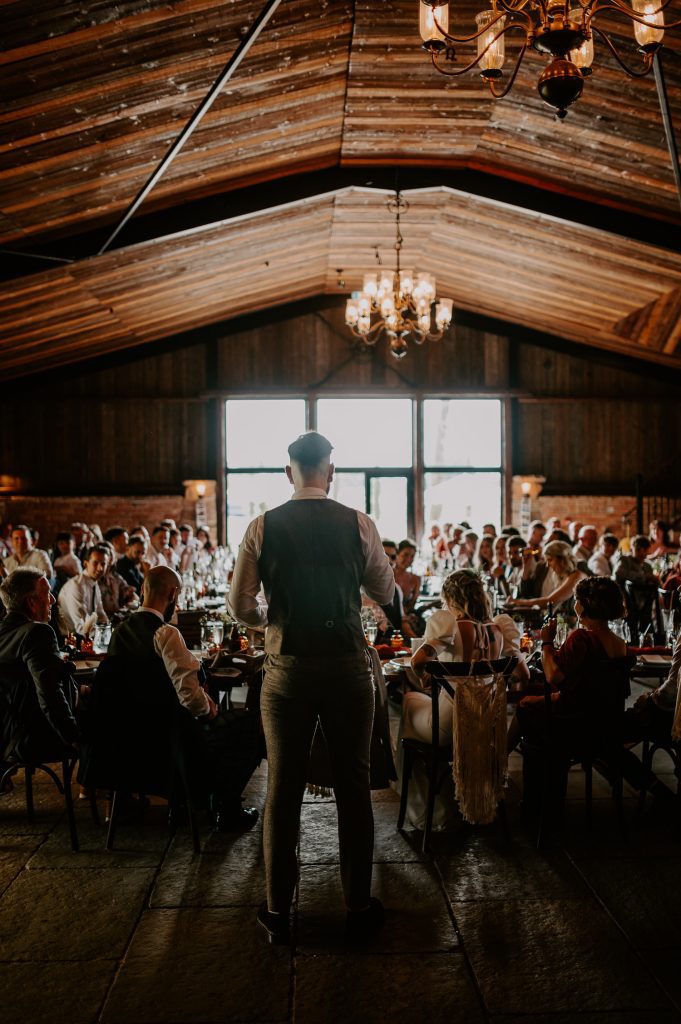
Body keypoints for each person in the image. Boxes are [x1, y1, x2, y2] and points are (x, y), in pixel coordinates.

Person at [228, 430, 394, 944]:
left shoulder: (262, 526)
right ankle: (358, 906)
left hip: (287, 668)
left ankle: (278, 912)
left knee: (283, 787)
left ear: (288, 472)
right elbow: (385, 590)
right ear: (330, 471)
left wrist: (269, 621)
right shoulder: (358, 523)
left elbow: (239, 606)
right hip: (346, 666)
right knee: (353, 786)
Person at [106, 565, 259, 830]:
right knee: (252, 726)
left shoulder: (119, 632)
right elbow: (189, 695)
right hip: (174, 738)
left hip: (128, 737)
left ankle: (185, 801)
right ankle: (227, 807)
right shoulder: (165, 633)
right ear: (174, 593)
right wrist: (208, 710)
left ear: (143, 590)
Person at [400, 571, 507, 828]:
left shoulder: (451, 625)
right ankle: (450, 801)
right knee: (421, 703)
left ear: (451, 598)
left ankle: (430, 809)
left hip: (452, 724)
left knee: (409, 701)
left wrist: (426, 677)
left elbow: (418, 660)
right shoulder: (498, 629)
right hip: (486, 724)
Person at [0, 568, 79, 766]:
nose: (53, 599)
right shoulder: (37, 633)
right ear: (31, 602)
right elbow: (49, 693)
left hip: (5, 737)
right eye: (47, 594)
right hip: (31, 739)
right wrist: (73, 737)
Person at [508, 540, 586, 613]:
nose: (548, 565)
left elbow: (549, 602)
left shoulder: (577, 576)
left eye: (550, 560)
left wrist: (517, 602)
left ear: (562, 559)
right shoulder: (561, 576)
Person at [57, 544, 109, 636]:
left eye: (103, 564)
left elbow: (100, 614)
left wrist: (109, 629)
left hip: (89, 635)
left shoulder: (94, 584)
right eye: (95, 563)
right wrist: (106, 635)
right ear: (86, 563)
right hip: (71, 639)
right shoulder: (76, 585)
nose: (100, 568)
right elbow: (83, 628)